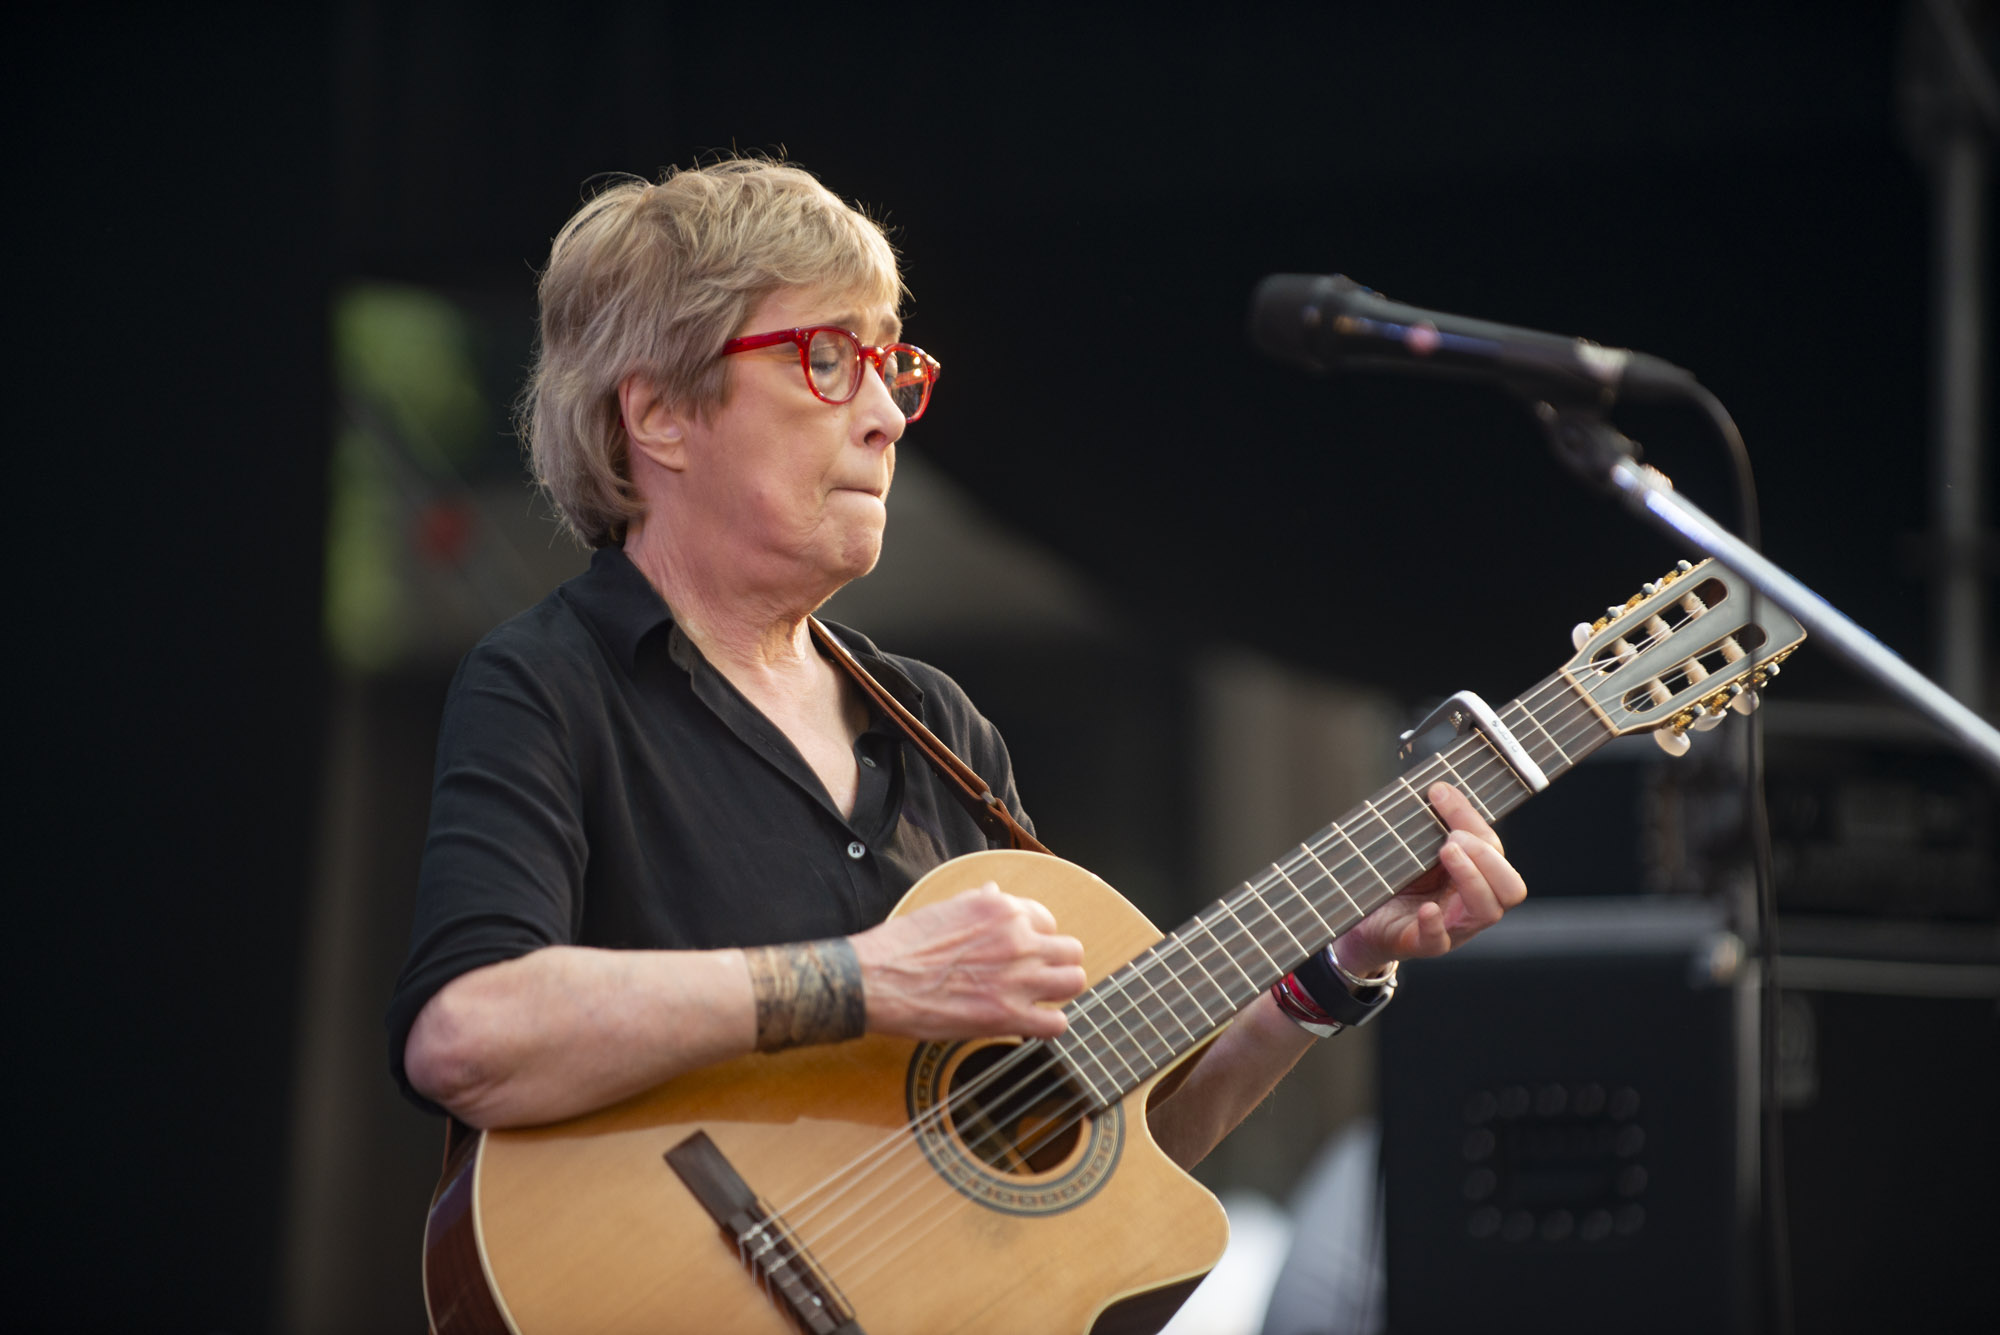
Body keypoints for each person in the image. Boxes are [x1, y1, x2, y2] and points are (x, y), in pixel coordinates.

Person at [386, 157, 1527, 1177]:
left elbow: (1092, 1152)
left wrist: (1329, 974)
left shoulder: (936, 724)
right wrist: (867, 980)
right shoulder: (549, 683)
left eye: (889, 365)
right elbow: (468, 1030)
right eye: (826, 359)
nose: (886, 414)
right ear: (662, 415)